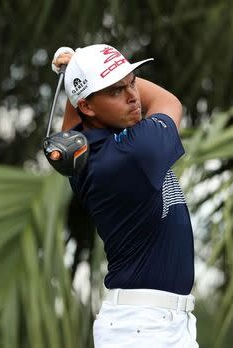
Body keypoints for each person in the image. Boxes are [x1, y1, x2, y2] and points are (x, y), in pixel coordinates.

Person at [52, 44, 198, 348]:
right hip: (142, 328)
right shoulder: (135, 152)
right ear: (88, 107)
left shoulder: (80, 155)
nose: (133, 95)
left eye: (133, 81)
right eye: (117, 90)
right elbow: (167, 101)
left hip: (155, 324)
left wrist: (77, 73)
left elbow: (73, 120)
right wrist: (77, 72)